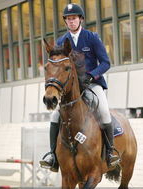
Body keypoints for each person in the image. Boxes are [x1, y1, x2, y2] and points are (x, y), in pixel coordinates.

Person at [40, 3, 119, 172]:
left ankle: (111, 152)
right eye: (68, 19)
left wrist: (92, 75)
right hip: (69, 88)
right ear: (66, 22)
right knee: (55, 116)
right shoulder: (61, 41)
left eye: (74, 18)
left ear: (80, 19)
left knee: (104, 111)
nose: (71, 21)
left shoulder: (92, 38)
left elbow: (106, 63)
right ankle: (53, 155)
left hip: (92, 83)